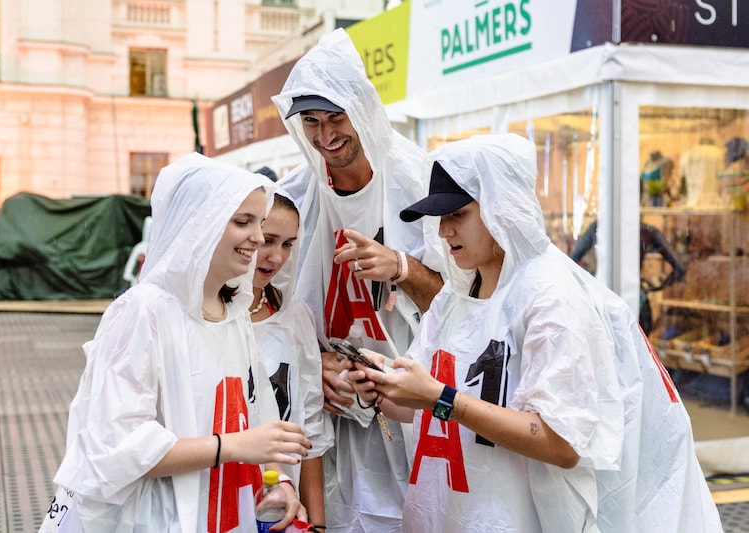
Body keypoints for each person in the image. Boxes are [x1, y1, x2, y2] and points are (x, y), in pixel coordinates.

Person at [347, 134, 722, 532]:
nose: (443, 232)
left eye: (457, 214)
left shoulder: (550, 296)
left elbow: (561, 442)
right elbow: (420, 406)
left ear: (500, 207)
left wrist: (443, 400)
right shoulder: (454, 299)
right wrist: (382, 386)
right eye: (439, 218)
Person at [50, 153, 311, 532]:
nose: (257, 237)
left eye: (259, 222)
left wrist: (280, 479)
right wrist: (235, 446)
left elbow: (257, 417)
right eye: (243, 222)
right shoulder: (144, 312)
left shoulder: (232, 312)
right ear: (199, 224)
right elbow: (117, 448)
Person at [271, 28, 445, 532]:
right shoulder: (294, 200)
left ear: (363, 109)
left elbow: (469, 303)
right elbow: (263, 306)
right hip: (333, 413)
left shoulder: (421, 183)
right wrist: (312, 365)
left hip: (417, 410)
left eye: (336, 118)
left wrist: (403, 267)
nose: (325, 137)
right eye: (311, 122)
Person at [249, 192, 334, 529]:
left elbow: (309, 429)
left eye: (288, 244)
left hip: (283, 512)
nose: (276, 257)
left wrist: (318, 526)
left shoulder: (294, 315)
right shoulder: (207, 320)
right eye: (267, 241)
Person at [569, 219, 687, 334]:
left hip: (605, 303)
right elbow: (680, 269)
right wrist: (651, 288)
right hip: (636, 303)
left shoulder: (598, 228)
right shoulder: (645, 231)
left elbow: (570, 263)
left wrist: (592, 285)